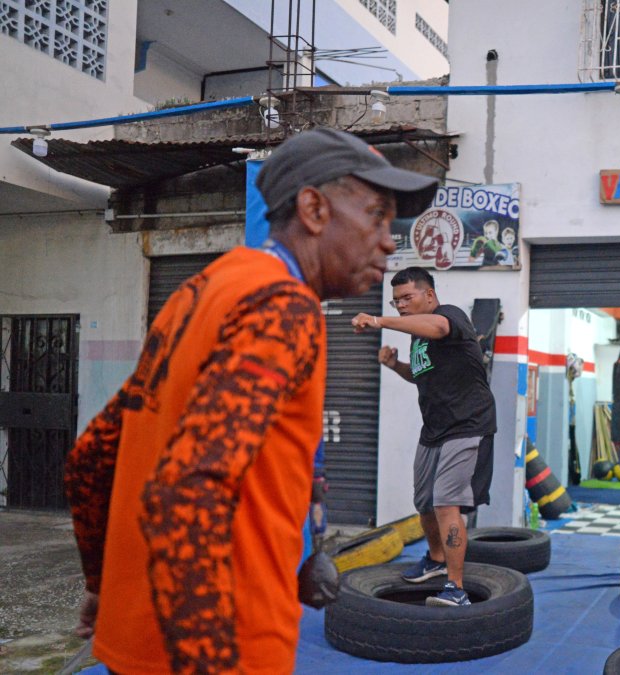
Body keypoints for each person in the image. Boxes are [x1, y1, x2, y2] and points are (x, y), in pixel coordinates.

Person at [63, 127, 437, 673]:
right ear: (313, 208)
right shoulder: (282, 306)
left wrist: (103, 589)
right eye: (377, 214)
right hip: (225, 647)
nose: (388, 240)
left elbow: (90, 459)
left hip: (134, 639)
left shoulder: (199, 293)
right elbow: (186, 490)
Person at [351, 266, 496, 607]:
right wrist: (395, 366)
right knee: (424, 502)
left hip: (468, 425)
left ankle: (456, 588)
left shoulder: (449, 316)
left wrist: (379, 320)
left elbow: (439, 326)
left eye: (407, 298)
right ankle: (435, 559)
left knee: (447, 503)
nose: (400, 305)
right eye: (395, 300)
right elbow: (423, 377)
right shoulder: (420, 337)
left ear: (429, 295)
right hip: (434, 430)